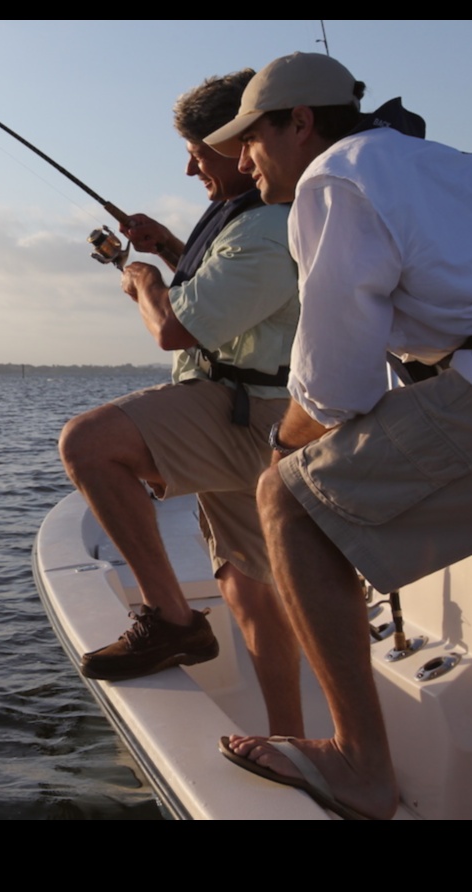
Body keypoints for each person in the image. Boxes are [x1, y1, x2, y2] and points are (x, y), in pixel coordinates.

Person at [204, 52, 472, 820]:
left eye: (251, 136)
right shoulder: (464, 168)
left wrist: (281, 449)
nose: (242, 160)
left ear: (301, 122)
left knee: (288, 502)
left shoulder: (335, 176)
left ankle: (359, 767)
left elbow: (336, 389)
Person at [58, 70, 304, 738]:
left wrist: (141, 279)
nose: (190, 165)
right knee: (248, 586)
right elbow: (230, 298)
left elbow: (174, 327)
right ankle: (288, 740)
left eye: (198, 150)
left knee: (88, 445)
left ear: (238, 142)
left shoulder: (263, 228)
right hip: (257, 417)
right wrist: (168, 246)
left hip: (243, 417)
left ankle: (172, 623)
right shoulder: (253, 217)